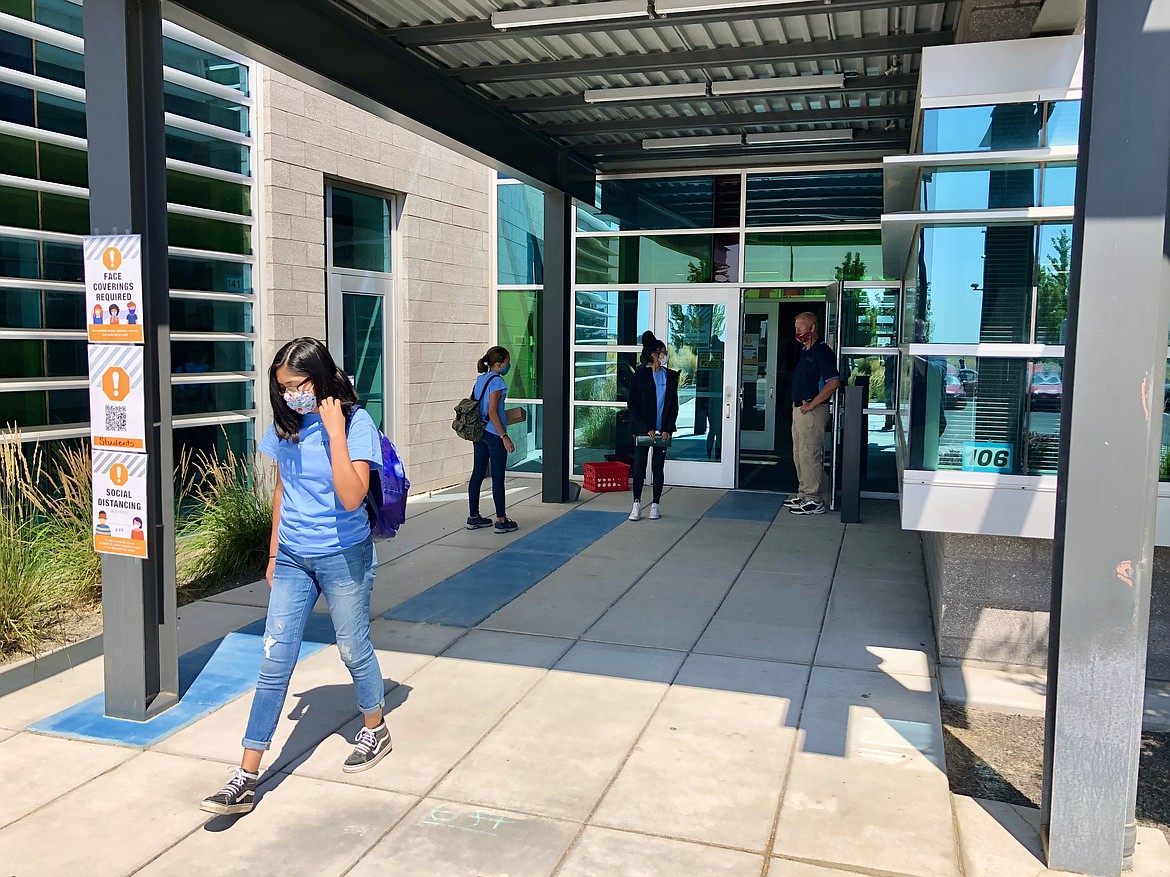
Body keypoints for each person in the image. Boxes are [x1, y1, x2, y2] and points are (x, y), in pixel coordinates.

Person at [200, 337, 390, 816]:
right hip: (292, 558)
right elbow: (283, 489)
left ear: (321, 379)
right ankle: (245, 775)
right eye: (283, 387)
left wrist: (335, 432)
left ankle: (375, 726)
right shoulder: (285, 425)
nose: (291, 394)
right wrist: (271, 554)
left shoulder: (356, 423)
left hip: (344, 555)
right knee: (274, 660)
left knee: (352, 646)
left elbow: (352, 498)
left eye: (298, 384)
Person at [784, 312, 841, 516]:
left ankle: (814, 499)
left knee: (810, 454)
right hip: (799, 409)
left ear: (813, 327)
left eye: (801, 326)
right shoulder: (804, 351)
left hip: (813, 411)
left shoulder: (822, 351)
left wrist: (812, 404)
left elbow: (833, 382)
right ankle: (804, 493)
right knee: (799, 454)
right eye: (796, 326)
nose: (798, 330)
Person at [626, 330, 679, 521]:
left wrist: (667, 428)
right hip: (643, 431)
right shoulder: (639, 377)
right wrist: (645, 427)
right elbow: (632, 405)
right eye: (663, 352)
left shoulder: (671, 377)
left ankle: (655, 504)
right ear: (654, 354)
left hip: (662, 431)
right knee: (640, 466)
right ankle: (636, 504)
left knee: (658, 467)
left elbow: (673, 405)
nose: (666, 355)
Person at [466, 345, 518, 535]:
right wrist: (504, 436)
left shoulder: (480, 379)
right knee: (497, 477)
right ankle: (502, 520)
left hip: (479, 432)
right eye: (506, 363)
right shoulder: (497, 381)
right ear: (498, 363)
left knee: (477, 474)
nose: (507, 366)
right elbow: (492, 411)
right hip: (494, 434)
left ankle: (474, 517)